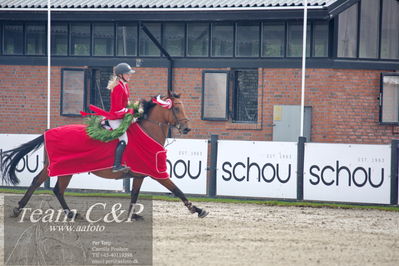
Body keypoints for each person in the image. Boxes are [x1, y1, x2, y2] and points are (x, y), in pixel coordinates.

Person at [82, 63, 135, 172]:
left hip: (121, 116)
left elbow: (125, 103)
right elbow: (117, 109)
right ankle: (116, 165)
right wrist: (130, 111)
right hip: (115, 118)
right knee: (124, 139)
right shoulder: (117, 87)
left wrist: (133, 109)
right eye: (127, 74)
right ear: (120, 75)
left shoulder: (124, 85)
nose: (130, 75)